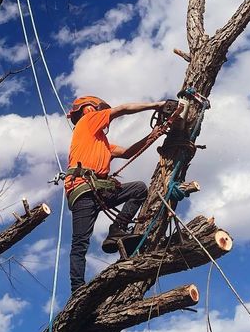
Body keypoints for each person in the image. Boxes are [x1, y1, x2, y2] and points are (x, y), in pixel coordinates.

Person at [65, 95, 172, 294]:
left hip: (100, 190)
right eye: (97, 109)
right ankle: (77, 288)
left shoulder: (101, 142)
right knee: (80, 242)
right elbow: (122, 109)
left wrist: (154, 134)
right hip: (83, 191)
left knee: (138, 189)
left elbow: (127, 152)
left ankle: (117, 228)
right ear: (88, 109)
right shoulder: (87, 122)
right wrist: (157, 105)